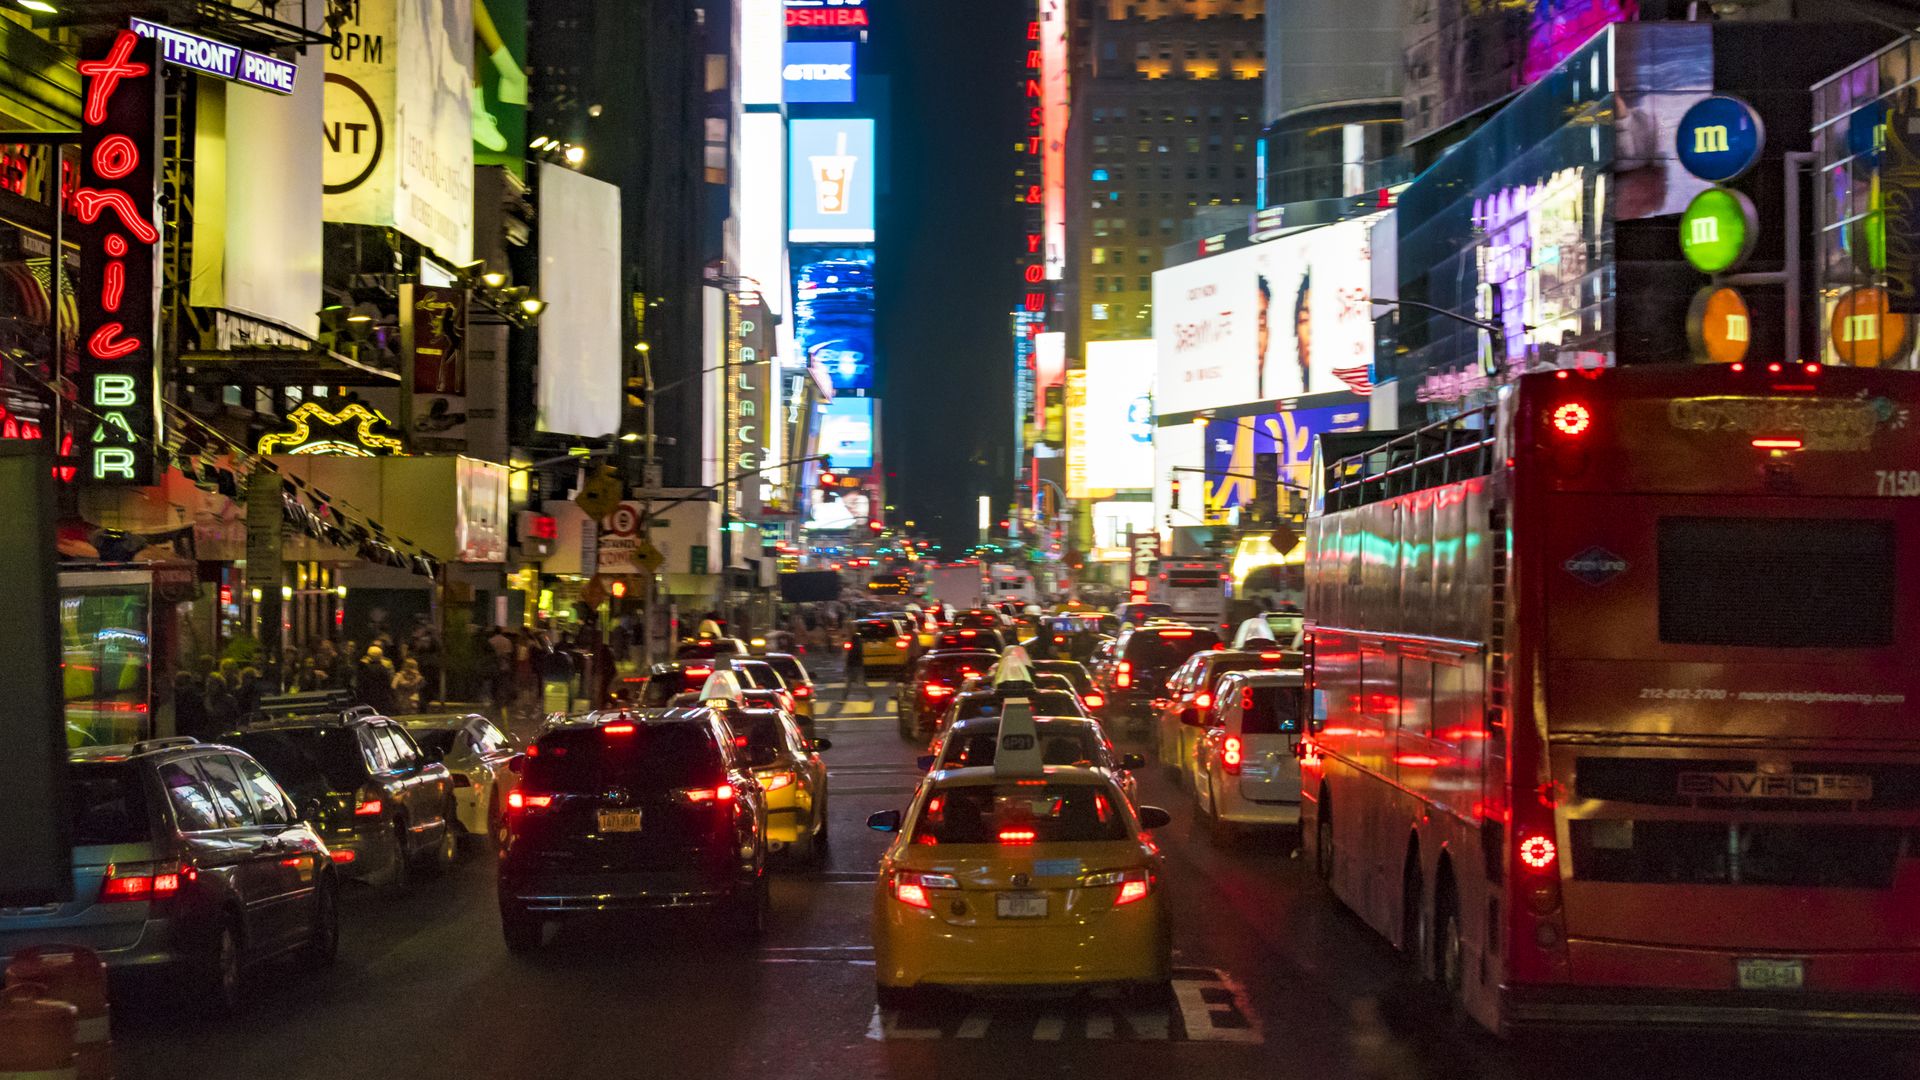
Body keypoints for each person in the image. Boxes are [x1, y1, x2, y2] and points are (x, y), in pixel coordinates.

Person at [355, 646, 397, 713]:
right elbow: (387, 685)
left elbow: (360, 684)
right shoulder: (383, 669)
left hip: (367, 698)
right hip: (382, 699)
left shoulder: (364, 668)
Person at [840, 627, 869, 702]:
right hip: (853, 665)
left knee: (860, 682)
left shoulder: (855, 640)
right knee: (850, 683)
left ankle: (870, 696)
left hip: (855, 665)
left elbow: (855, 653)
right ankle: (844, 698)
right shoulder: (853, 640)